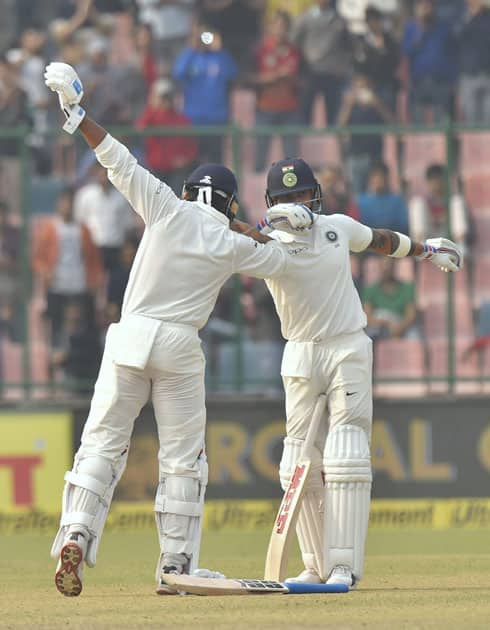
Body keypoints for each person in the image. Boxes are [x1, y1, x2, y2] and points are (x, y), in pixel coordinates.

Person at [43, 61, 312, 597]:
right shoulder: (232, 242)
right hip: (180, 350)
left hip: (131, 336)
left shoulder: (166, 207)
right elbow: (282, 261)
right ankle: (176, 565)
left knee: (101, 444)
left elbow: (117, 159)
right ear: (230, 204)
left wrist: (78, 115)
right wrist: (262, 227)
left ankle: (76, 530)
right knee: (182, 460)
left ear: (192, 191)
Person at [240, 156, 463, 587]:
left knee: (345, 453)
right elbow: (234, 237)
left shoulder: (336, 227)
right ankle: (314, 564)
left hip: (347, 346)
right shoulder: (265, 245)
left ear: (316, 196)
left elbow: (379, 241)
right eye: (288, 198)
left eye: (303, 194)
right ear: (272, 203)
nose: (299, 203)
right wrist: (268, 220)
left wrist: (427, 250)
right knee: (296, 463)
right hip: (301, 351)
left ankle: (343, 566)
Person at [252, 10, 301, 172]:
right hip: (265, 106)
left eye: (283, 26)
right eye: (277, 25)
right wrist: (272, 77)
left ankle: (292, 187)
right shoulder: (260, 50)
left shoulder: (294, 51)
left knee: (291, 157)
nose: (280, 29)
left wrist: (291, 78)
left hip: (289, 108)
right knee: (260, 153)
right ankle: (255, 187)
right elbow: (248, 78)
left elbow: (304, 80)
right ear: (270, 27)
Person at [136, 77, 198, 194]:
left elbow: (192, 147)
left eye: (168, 97)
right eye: (163, 97)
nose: (166, 101)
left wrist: (185, 159)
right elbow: (140, 128)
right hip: (155, 168)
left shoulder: (182, 120)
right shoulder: (152, 116)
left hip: (175, 171)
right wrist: (153, 107)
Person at [337, 70, 394, 194]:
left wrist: (378, 104)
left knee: (377, 193)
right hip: (356, 156)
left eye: (365, 87)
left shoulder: (377, 104)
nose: (362, 90)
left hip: (375, 155)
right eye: (359, 87)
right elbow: (340, 127)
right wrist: (348, 105)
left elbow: (392, 123)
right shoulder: (350, 106)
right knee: (357, 194)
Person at [363, 257, 419, 342]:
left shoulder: (407, 287)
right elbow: (368, 318)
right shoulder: (370, 290)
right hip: (380, 325)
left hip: (402, 325)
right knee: (368, 335)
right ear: (379, 267)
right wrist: (386, 323)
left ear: (394, 267)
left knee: (414, 336)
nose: (386, 269)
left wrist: (399, 328)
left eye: (389, 266)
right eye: (383, 266)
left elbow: (411, 315)